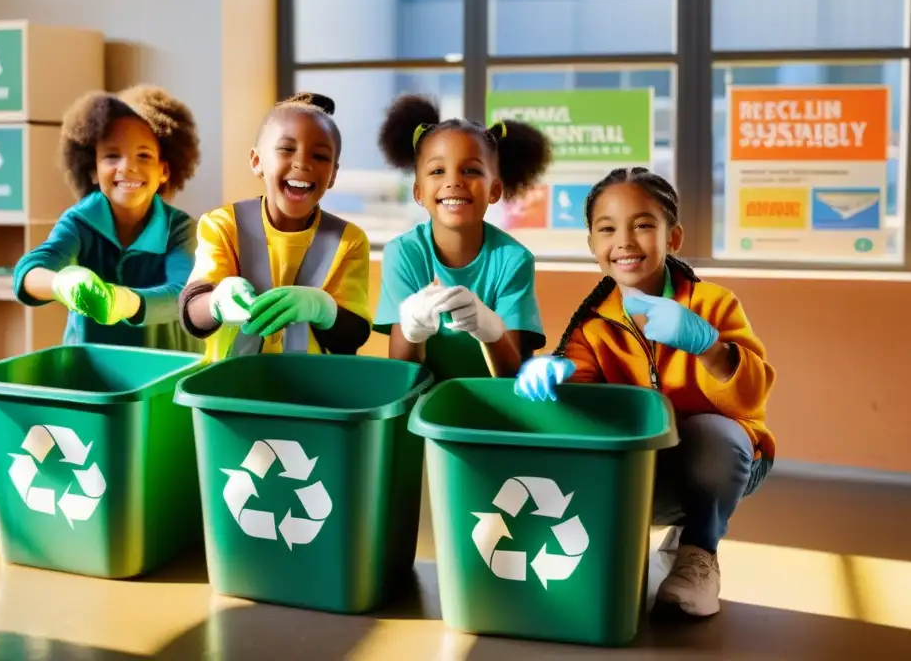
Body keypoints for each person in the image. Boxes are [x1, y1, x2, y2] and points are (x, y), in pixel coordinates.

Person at [514, 167, 775, 618]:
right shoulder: (592, 326)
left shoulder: (713, 304)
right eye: (607, 228)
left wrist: (709, 346)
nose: (625, 241)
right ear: (593, 245)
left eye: (643, 225)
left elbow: (750, 399)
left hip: (723, 463)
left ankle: (699, 551)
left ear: (673, 237)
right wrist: (555, 377)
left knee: (714, 435)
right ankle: (659, 536)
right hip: (640, 471)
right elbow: (583, 415)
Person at [178, 92, 371, 361]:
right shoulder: (222, 225)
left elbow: (354, 334)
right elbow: (192, 314)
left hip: (312, 391)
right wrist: (217, 302)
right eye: (286, 149)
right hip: (229, 389)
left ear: (333, 175)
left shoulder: (349, 240)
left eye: (320, 156)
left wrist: (321, 308)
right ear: (257, 161)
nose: (303, 163)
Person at [373, 94, 551, 381]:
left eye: (471, 170)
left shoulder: (513, 259)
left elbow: (510, 374)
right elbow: (401, 374)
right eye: (437, 170)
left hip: (492, 411)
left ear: (494, 190)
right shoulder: (403, 254)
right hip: (423, 411)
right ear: (418, 192)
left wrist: (490, 330)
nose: (453, 181)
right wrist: (413, 329)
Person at [13, 84, 203, 351]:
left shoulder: (179, 228)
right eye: (112, 156)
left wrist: (124, 302)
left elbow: (183, 294)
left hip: (165, 365)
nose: (127, 167)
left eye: (144, 155)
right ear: (93, 169)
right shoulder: (80, 221)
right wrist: (60, 284)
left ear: (165, 170)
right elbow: (27, 273)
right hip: (91, 367)